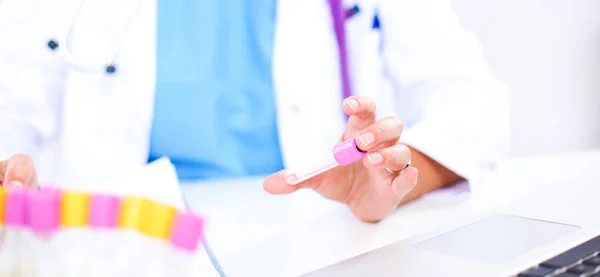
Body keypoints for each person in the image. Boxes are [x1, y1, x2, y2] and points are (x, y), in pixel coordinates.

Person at [0, 0, 509, 222]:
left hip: (318, 240)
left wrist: (387, 182)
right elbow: (11, 114)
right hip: (126, 245)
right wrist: (10, 178)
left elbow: (473, 107)